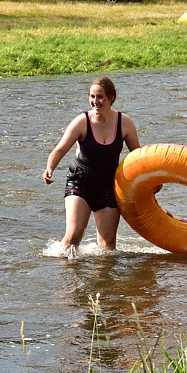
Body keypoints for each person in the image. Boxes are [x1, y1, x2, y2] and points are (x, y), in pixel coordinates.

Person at [43, 76, 142, 256]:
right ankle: (68, 278)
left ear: (111, 98)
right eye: (92, 96)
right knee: (73, 239)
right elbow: (59, 150)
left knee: (108, 246)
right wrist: (50, 168)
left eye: (100, 97)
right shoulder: (82, 122)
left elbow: (138, 156)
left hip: (109, 185)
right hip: (81, 181)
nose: (95, 101)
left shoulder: (124, 122)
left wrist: (149, 180)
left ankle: (103, 282)